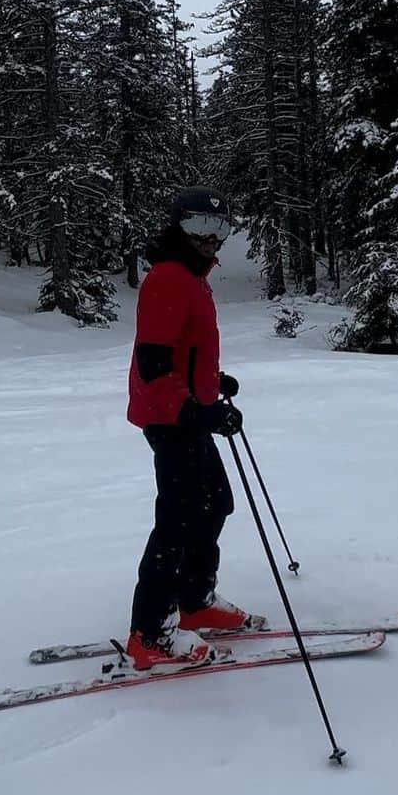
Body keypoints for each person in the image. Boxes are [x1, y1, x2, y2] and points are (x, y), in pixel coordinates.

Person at [125, 186, 261, 669]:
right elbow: (153, 363)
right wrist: (196, 410)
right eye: (201, 227)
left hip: (187, 412)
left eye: (220, 229)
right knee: (178, 522)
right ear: (179, 226)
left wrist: (211, 382)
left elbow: (185, 349)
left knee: (214, 503)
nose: (211, 239)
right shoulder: (169, 278)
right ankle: (150, 633)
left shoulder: (192, 277)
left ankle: (195, 601)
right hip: (171, 419)